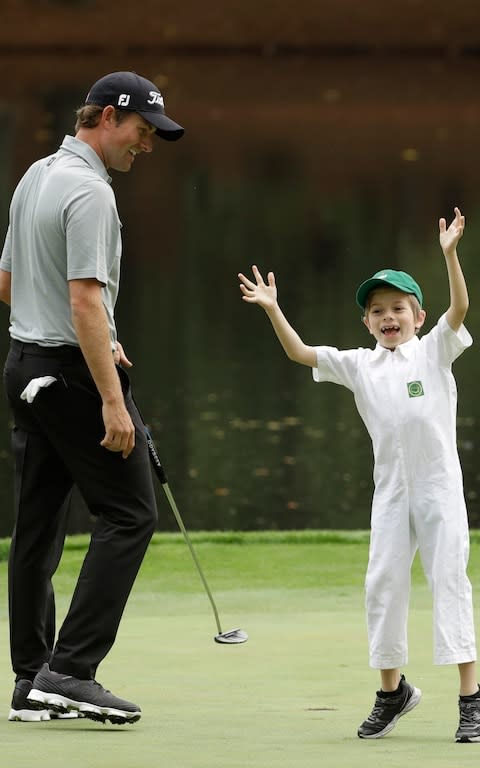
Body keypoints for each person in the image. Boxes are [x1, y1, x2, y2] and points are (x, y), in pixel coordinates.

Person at [238, 207, 480, 743]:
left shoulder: (434, 350)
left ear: (418, 316)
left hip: (439, 491)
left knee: (449, 582)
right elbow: (301, 353)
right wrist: (274, 309)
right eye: (377, 311)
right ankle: (393, 693)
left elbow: (460, 308)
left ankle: (471, 701)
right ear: (366, 322)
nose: (388, 317)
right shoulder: (359, 364)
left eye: (398, 308)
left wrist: (449, 255)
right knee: (383, 584)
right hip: (391, 495)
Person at [0, 71, 184, 724]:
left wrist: (99, 333)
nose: (148, 145)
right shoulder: (91, 194)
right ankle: (72, 670)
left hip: (23, 368)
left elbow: (9, 284)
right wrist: (109, 392)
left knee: (38, 526)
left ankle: (31, 682)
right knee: (132, 513)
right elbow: (82, 297)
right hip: (71, 376)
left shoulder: (36, 176)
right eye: (142, 132)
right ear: (107, 118)